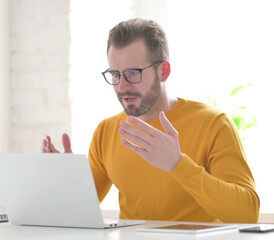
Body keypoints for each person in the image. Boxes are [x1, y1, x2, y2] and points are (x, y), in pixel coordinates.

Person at [41, 18, 260, 223]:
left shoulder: (213, 124)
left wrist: (177, 164)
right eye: (115, 74)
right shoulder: (107, 130)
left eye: (133, 73)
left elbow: (247, 214)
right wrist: (66, 178)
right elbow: (77, 213)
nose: (122, 87)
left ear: (163, 71)